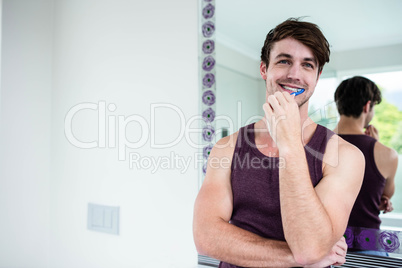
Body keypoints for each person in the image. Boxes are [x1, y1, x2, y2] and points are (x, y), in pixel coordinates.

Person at [193, 18, 364, 267]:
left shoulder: (345, 156)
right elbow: (206, 238)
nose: (294, 74)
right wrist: (298, 257)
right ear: (264, 69)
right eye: (284, 61)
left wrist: (289, 142)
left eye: (307, 65)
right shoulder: (227, 147)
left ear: (317, 77)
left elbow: (310, 246)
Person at [334, 76, 398, 256]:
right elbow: (384, 196)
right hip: (368, 246)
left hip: (328, 245)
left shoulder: (316, 145)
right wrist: (375, 146)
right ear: (367, 106)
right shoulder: (387, 154)